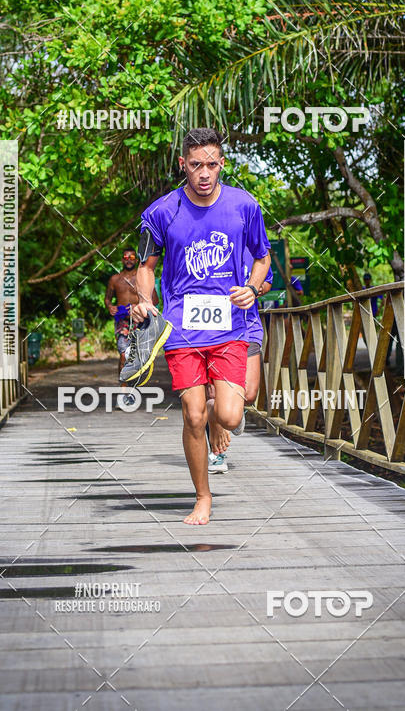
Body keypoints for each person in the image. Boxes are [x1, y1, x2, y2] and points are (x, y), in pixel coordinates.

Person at [125, 127, 271, 525]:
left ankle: (216, 410)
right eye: (195, 166)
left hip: (229, 328)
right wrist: (145, 302)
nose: (204, 173)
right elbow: (145, 267)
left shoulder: (245, 206)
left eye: (211, 164)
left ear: (222, 163)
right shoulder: (160, 212)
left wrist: (253, 289)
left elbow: (262, 258)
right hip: (183, 328)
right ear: (182, 166)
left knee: (230, 416)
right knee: (192, 416)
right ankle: (202, 497)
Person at [207, 249, 273, 473]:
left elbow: (268, 282)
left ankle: (231, 412)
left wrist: (253, 290)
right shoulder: (211, 245)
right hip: (215, 329)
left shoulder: (254, 250)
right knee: (215, 394)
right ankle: (217, 454)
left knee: (250, 393)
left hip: (248, 325)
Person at [105, 248, 158, 397]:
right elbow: (107, 299)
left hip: (139, 321)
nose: (128, 259)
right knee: (123, 354)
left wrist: (138, 307)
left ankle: (132, 384)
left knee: (134, 356)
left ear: (136, 260)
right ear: (122, 260)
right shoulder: (115, 279)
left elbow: (155, 300)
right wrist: (110, 307)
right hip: (122, 322)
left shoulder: (143, 278)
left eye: (132, 257)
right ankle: (123, 390)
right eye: (125, 257)